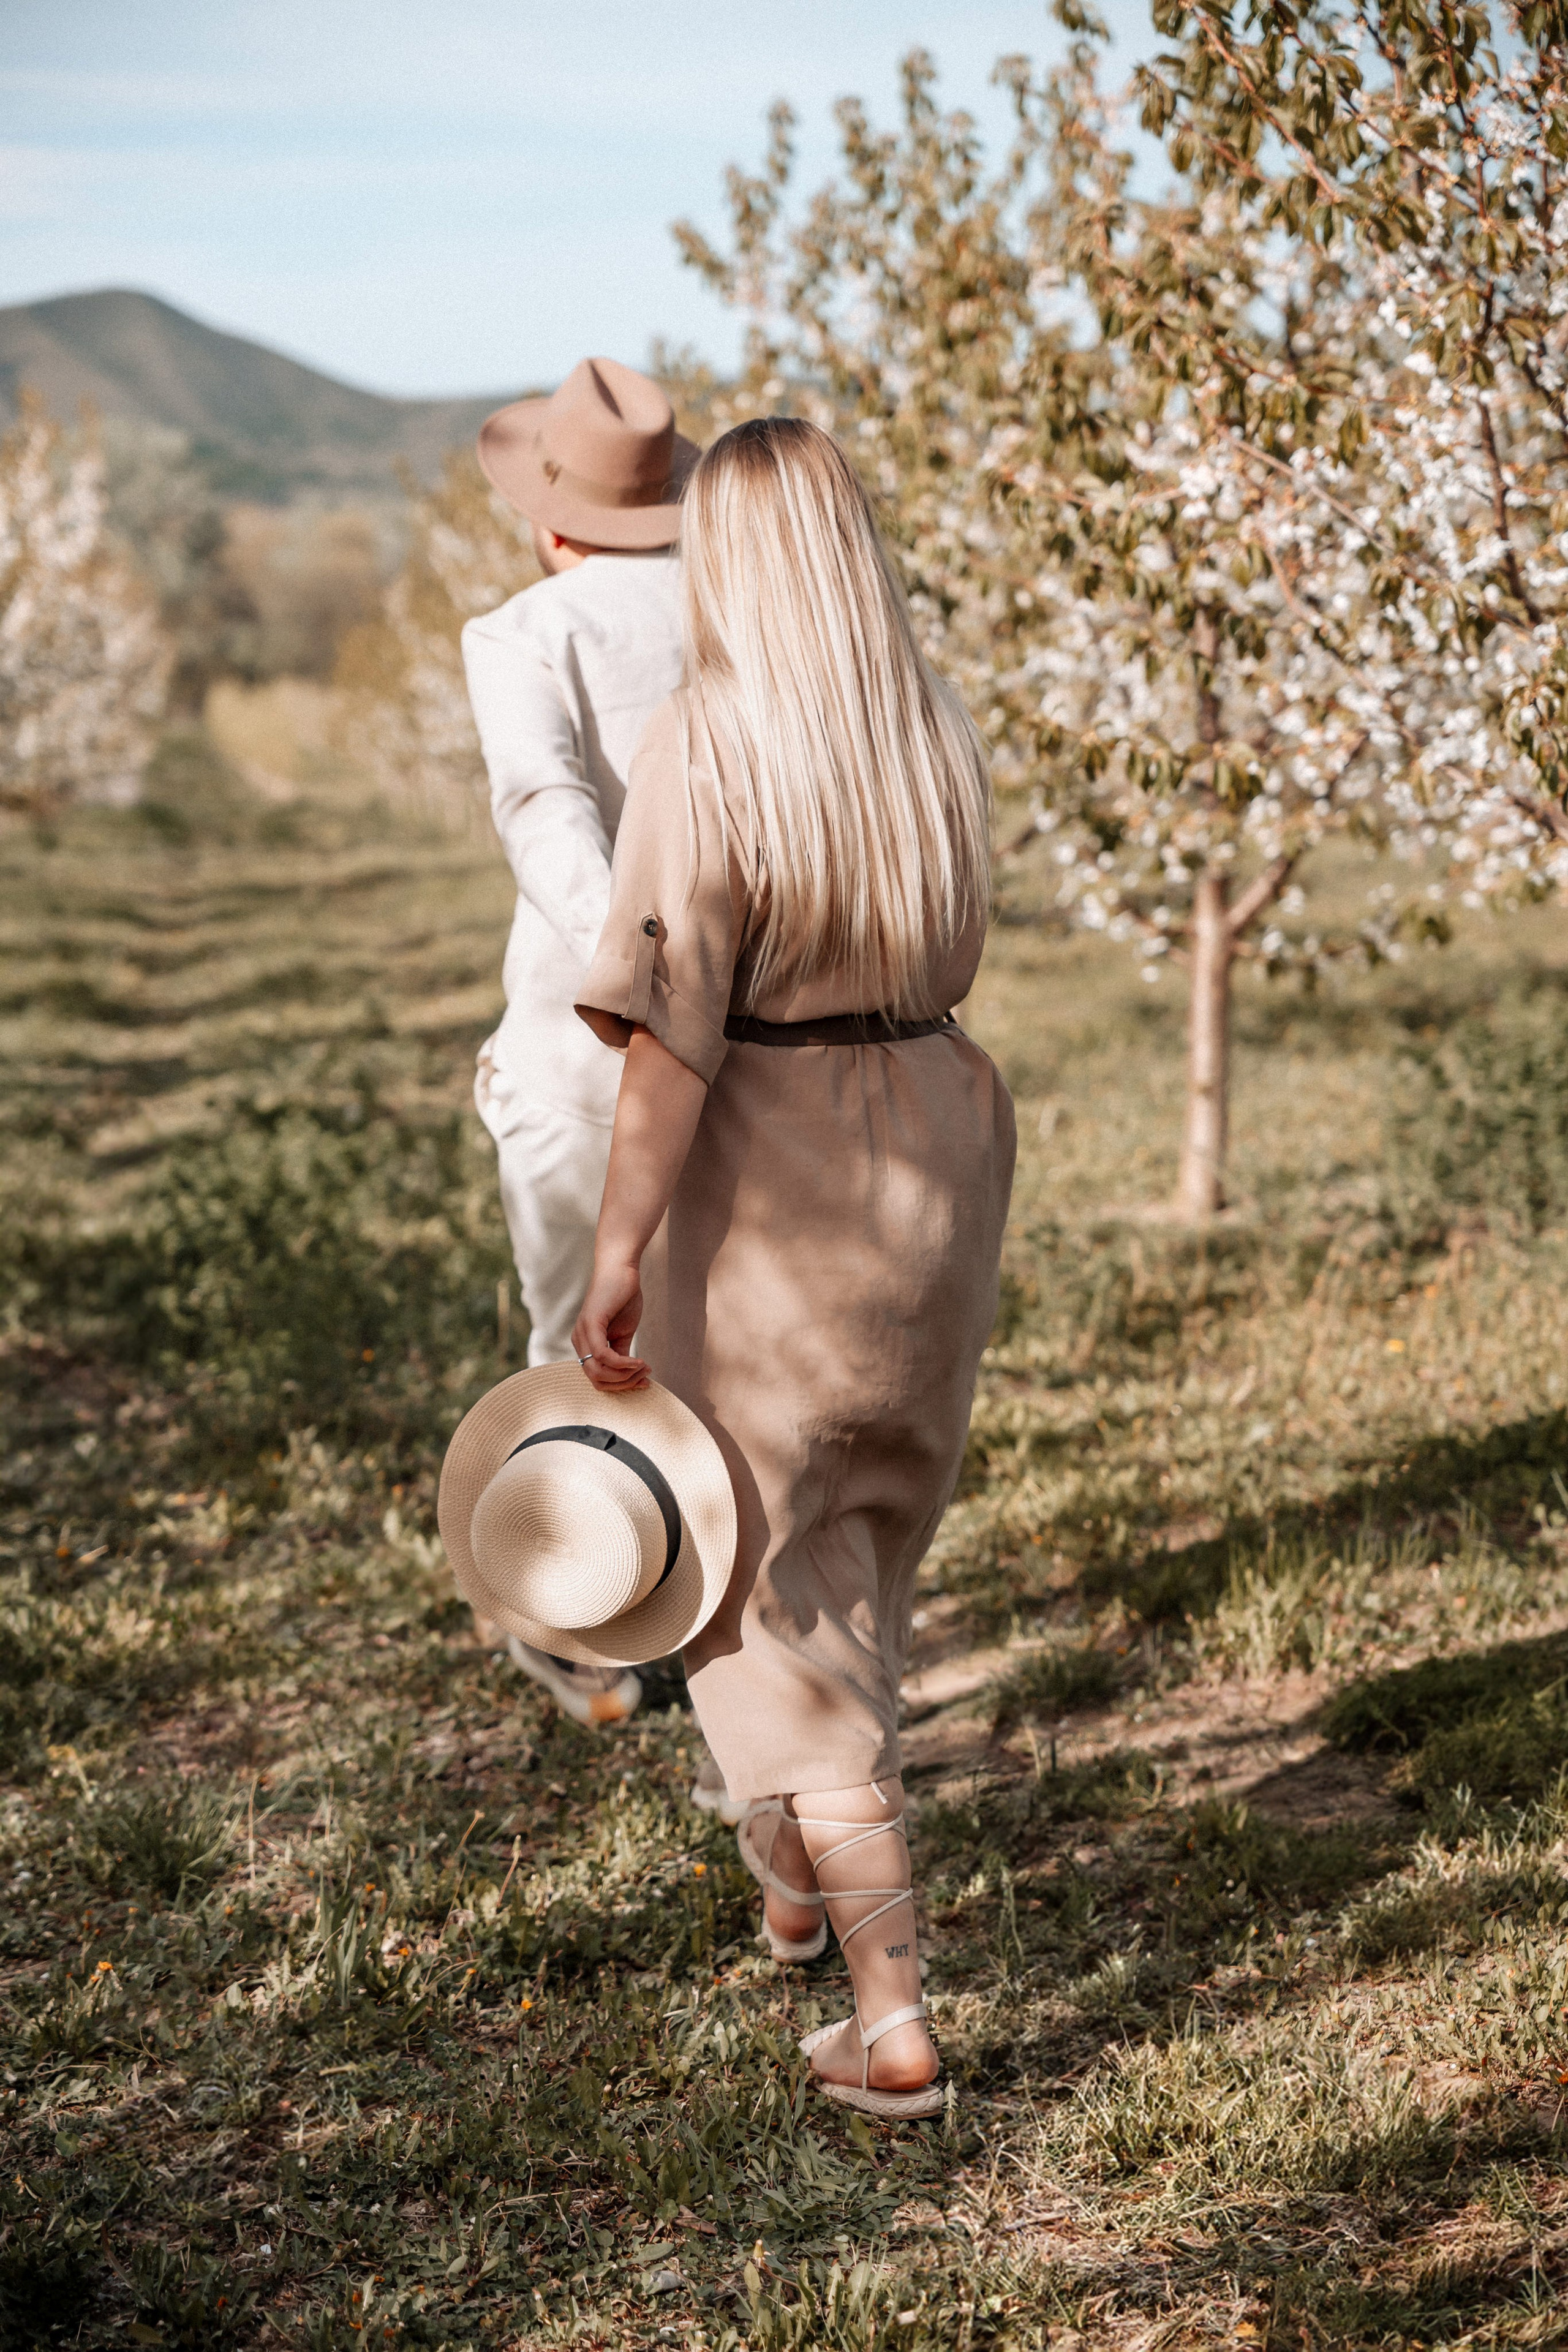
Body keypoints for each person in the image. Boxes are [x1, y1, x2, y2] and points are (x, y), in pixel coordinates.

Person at [571, 418, 1016, 2120]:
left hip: (778, 1173)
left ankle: (889, 2012)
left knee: (750, 1576)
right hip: (933, 1150)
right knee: (854, 1546)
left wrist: (619, 1251)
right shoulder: (928, 732)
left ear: (728, 560)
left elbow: (670, 1041)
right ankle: (792, 1865)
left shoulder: (709, 739)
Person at [461, 355, 695, 1729]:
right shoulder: (748, 622)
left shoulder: (524, 629)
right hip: (756, 1054)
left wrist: (633, 969)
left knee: (580, 1344)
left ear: (552, 521)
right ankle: (724, 1619)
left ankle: (606, 1621)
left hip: (582, 1052)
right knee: (722, 1341)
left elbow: (545, 801)